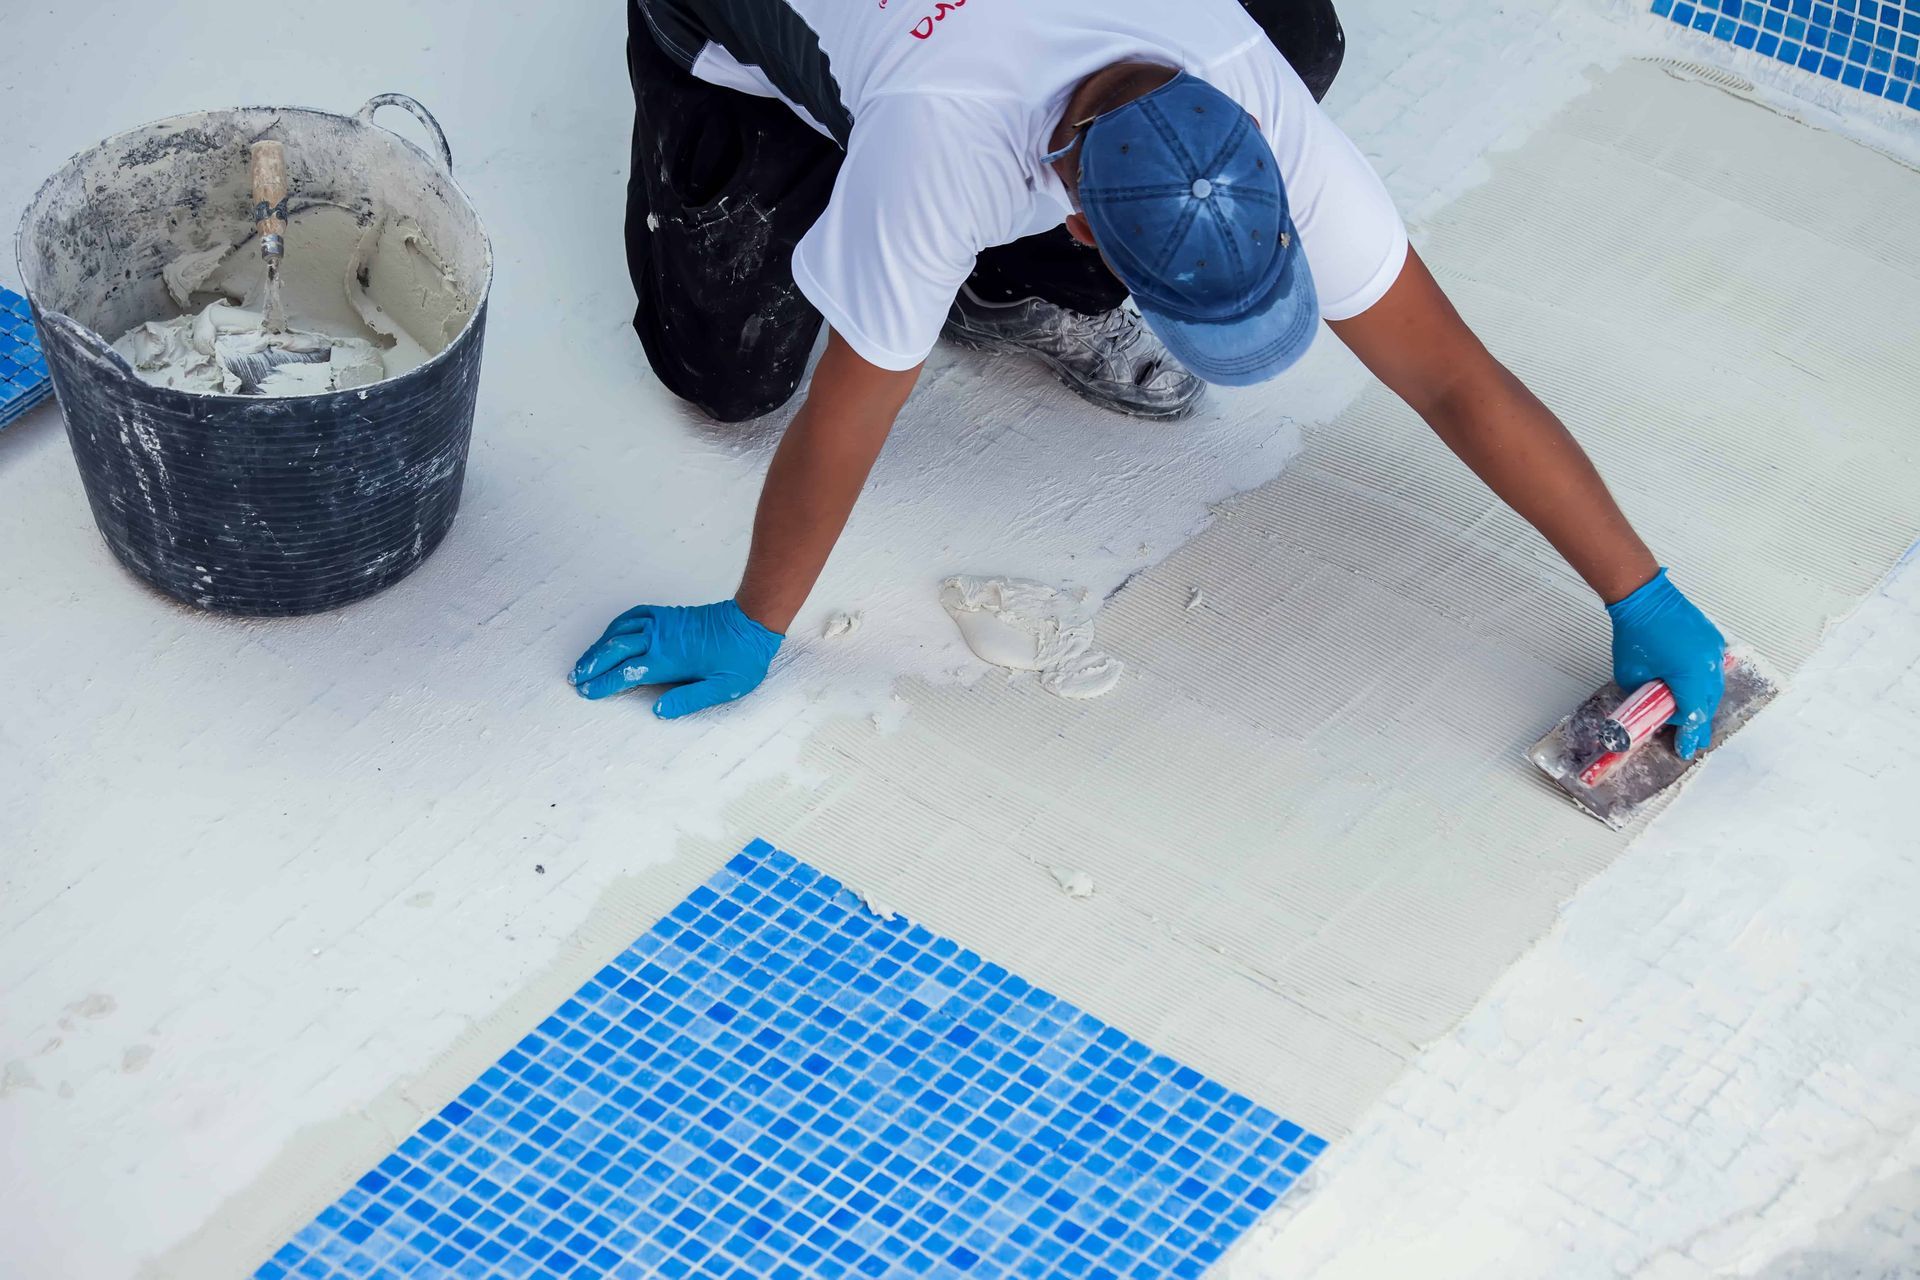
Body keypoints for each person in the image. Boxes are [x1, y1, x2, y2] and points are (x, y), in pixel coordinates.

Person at [572, 0, 1728, 757]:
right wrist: (753, 621)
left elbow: (1451, 379)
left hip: (959, 74)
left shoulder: (1242, 71)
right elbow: (845, 421)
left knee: (1305, 28)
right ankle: (834, 182)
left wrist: (1639, 588)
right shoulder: (936, 147)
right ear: (1079, 220)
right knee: (721, 373)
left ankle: (971, 282)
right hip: (739, 36)